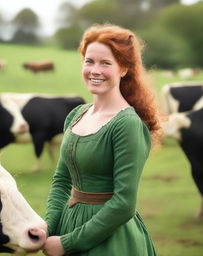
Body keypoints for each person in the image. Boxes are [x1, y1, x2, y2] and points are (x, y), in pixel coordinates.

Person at [43, 23, 161, 256]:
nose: (95, 70)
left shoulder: (126, 124)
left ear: (124, 69)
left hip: (111, 240)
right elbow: (61, 181)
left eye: (106, 63)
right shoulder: (76, 115)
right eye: (89, 61)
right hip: (69, 225)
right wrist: (48, 228)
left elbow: (124, 204)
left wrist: (68, 243)